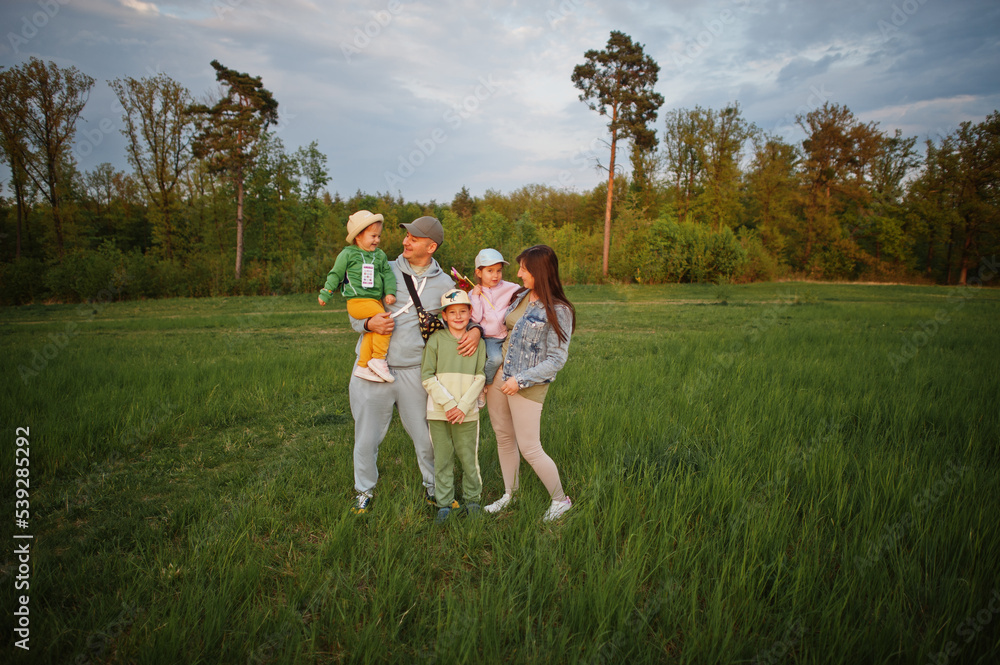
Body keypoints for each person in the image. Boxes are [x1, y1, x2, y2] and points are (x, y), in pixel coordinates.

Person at [347, 216, 482, 514]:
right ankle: (364, 491)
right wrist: (368, 322)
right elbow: (355, 310)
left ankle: (435, 490)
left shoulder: (445, 283)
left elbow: (458, 319)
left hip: (414, 372)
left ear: (430, 246)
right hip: (372, 368)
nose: (405, 241)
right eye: (406, 235)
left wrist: (476, 330)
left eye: (413, 238)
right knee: (366, 438)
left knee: (427, 438)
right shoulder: (383, 267)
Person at [484, 244, 575, 522]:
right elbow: (491, 290)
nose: (519, 273)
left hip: (527, 383)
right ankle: (510, 494)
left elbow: (556, 359)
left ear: (539, 271)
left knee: (530, 447)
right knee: (504, 437)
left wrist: (520, 380)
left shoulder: (559, 310)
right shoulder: (520, 294)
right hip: (501, 375)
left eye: (524, 268)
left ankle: (561, 500)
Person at [421, 288, 487, 523]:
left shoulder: (477, 342)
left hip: (467, 413)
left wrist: (463, 406)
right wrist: (449, 405)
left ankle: (472, 499)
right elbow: (427, 376)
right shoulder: (436, 341)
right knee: (443, 458)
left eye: (463, 311)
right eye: (452, 312)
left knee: (469, 458)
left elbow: (480, 377)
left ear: (470, 313)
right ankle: (444, 503)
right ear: (444, 316)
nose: (458, 316)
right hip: (439, 413)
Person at [318, 210, 397, 383]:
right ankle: (378, 358)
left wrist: (390, 292)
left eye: (379, 236)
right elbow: (335, 275)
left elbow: (388, 275)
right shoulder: (347, 254)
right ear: (358, 236)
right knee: (384, 321)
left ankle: (363, 366)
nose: (377, 240)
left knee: (373, 330)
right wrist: (326, 292)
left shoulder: (380, 255)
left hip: (374, 300)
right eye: (373, 236)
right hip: (357, 301)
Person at [469, 248, 521, 408]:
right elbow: (476, 318)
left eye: (499, 271)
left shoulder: (510, 287)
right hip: (488, 337)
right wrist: (476, 297)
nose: (495, 275)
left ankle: (507, 388)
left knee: (509, 359)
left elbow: (523, 292)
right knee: (496, 359)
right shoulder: (473, 293)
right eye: (490, 271)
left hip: (504, 334)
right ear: (479, 272)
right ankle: (482, 385)